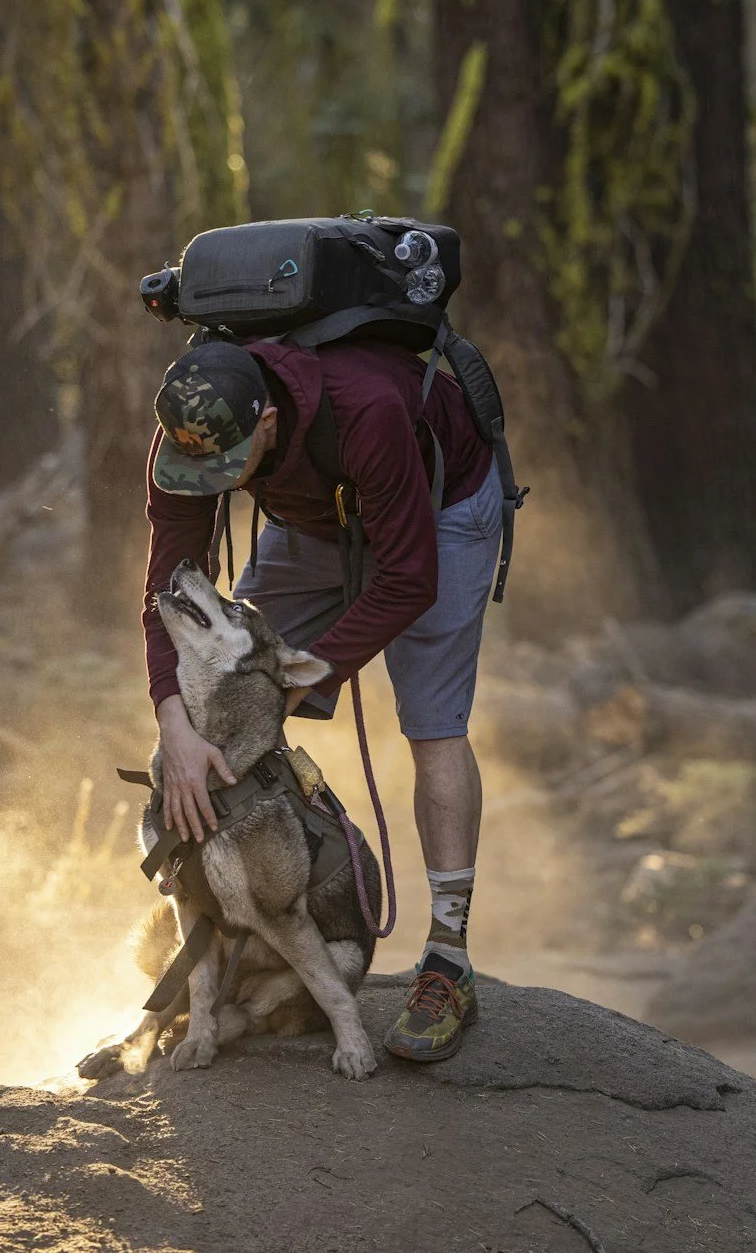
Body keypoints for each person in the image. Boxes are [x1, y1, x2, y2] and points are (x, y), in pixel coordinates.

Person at [142, 334, 498, 1062]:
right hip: (314, 516)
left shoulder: (365, 409)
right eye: (193, 468)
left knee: (433, 722)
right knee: (218, 692)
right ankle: (225, 925)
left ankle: (448, 957)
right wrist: (174, 724)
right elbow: (167, 595)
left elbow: (408, 578)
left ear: (267, 421)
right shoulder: (189, 429)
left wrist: (308, 670)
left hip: (439, 507)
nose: (205, 481)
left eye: (221, 467)